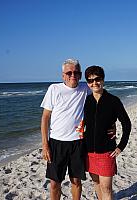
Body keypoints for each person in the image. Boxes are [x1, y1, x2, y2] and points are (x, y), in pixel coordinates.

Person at [40, 58, 90, 200]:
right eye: (69, 72)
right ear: (63, 75)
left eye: (76, 72)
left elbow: (103, 103)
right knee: (55, 183)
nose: (73, 75)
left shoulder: (85, 89)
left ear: (80, 75)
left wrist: (110, 125)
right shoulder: (54, 89)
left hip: (78, 143)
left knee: (76, 181)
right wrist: (45, 145)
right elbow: (45, 118)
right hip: (56, 143)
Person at [83, 65, 132, 200]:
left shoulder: (113, 101)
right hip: (89, 151)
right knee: (96, 182)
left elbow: (126, 124)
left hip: (106, 152)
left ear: (103, 80)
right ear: (87, 83)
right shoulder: (86, 101)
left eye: (97, 79)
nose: (94, 83)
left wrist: (121, 146)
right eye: (90, 80)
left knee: (106, 188)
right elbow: (82, 122)